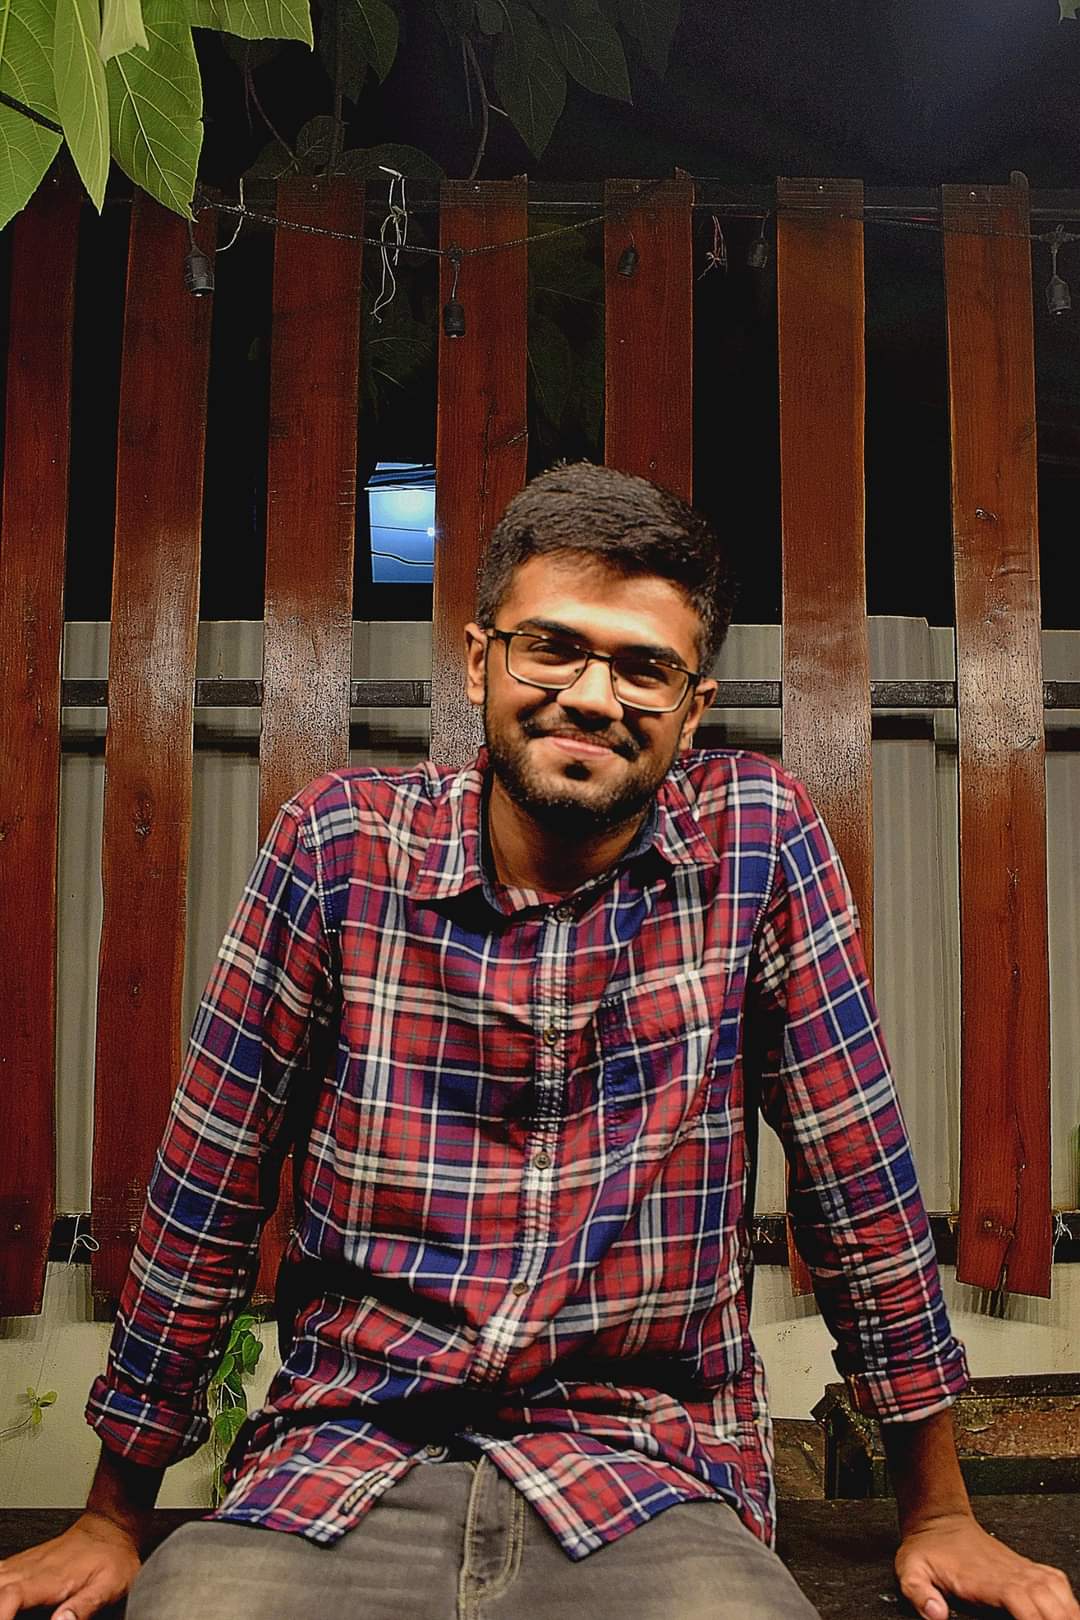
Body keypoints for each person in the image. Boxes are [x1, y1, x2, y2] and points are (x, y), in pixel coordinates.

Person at [0, 463, 1075, 1620]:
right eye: (551, 648)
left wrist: (939, 1513)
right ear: (480, 661)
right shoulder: (339, 847)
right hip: (346, 1465)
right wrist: (114, 1517)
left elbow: (854, 1181)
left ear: (694, 709)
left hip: (650, 1479)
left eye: (643, 668)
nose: (593, 695)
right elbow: (208, 1188)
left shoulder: (757, 845)